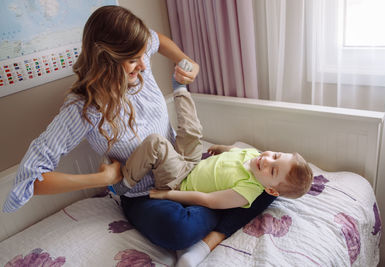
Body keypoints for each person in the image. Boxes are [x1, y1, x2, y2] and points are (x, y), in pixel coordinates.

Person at [2, 5, 276, 267]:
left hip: (183, 168)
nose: (144, 67)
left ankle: (215, 233)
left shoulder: (139, 59)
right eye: (133, 61)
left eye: (142, 56)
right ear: (105, 60)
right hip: (144, 194)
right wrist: (103, 179)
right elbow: (32, 179)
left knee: (270, 185)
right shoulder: (82, 110)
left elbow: (158, 40)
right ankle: (226, 209)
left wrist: (187, 61)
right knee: (181, 229)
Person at [103, 71, 313, 266]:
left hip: (179, 179)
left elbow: (208, 201)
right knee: (194, 130)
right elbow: (235, 150)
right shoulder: (255, 155)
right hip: (192, 163)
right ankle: (180, 89)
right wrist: (222, 148)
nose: (267, 161)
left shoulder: (247, 190)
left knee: (156, 142)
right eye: (275, 155)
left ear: (271, 190)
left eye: (273, 171)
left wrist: (169, 194)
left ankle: (123, 184)